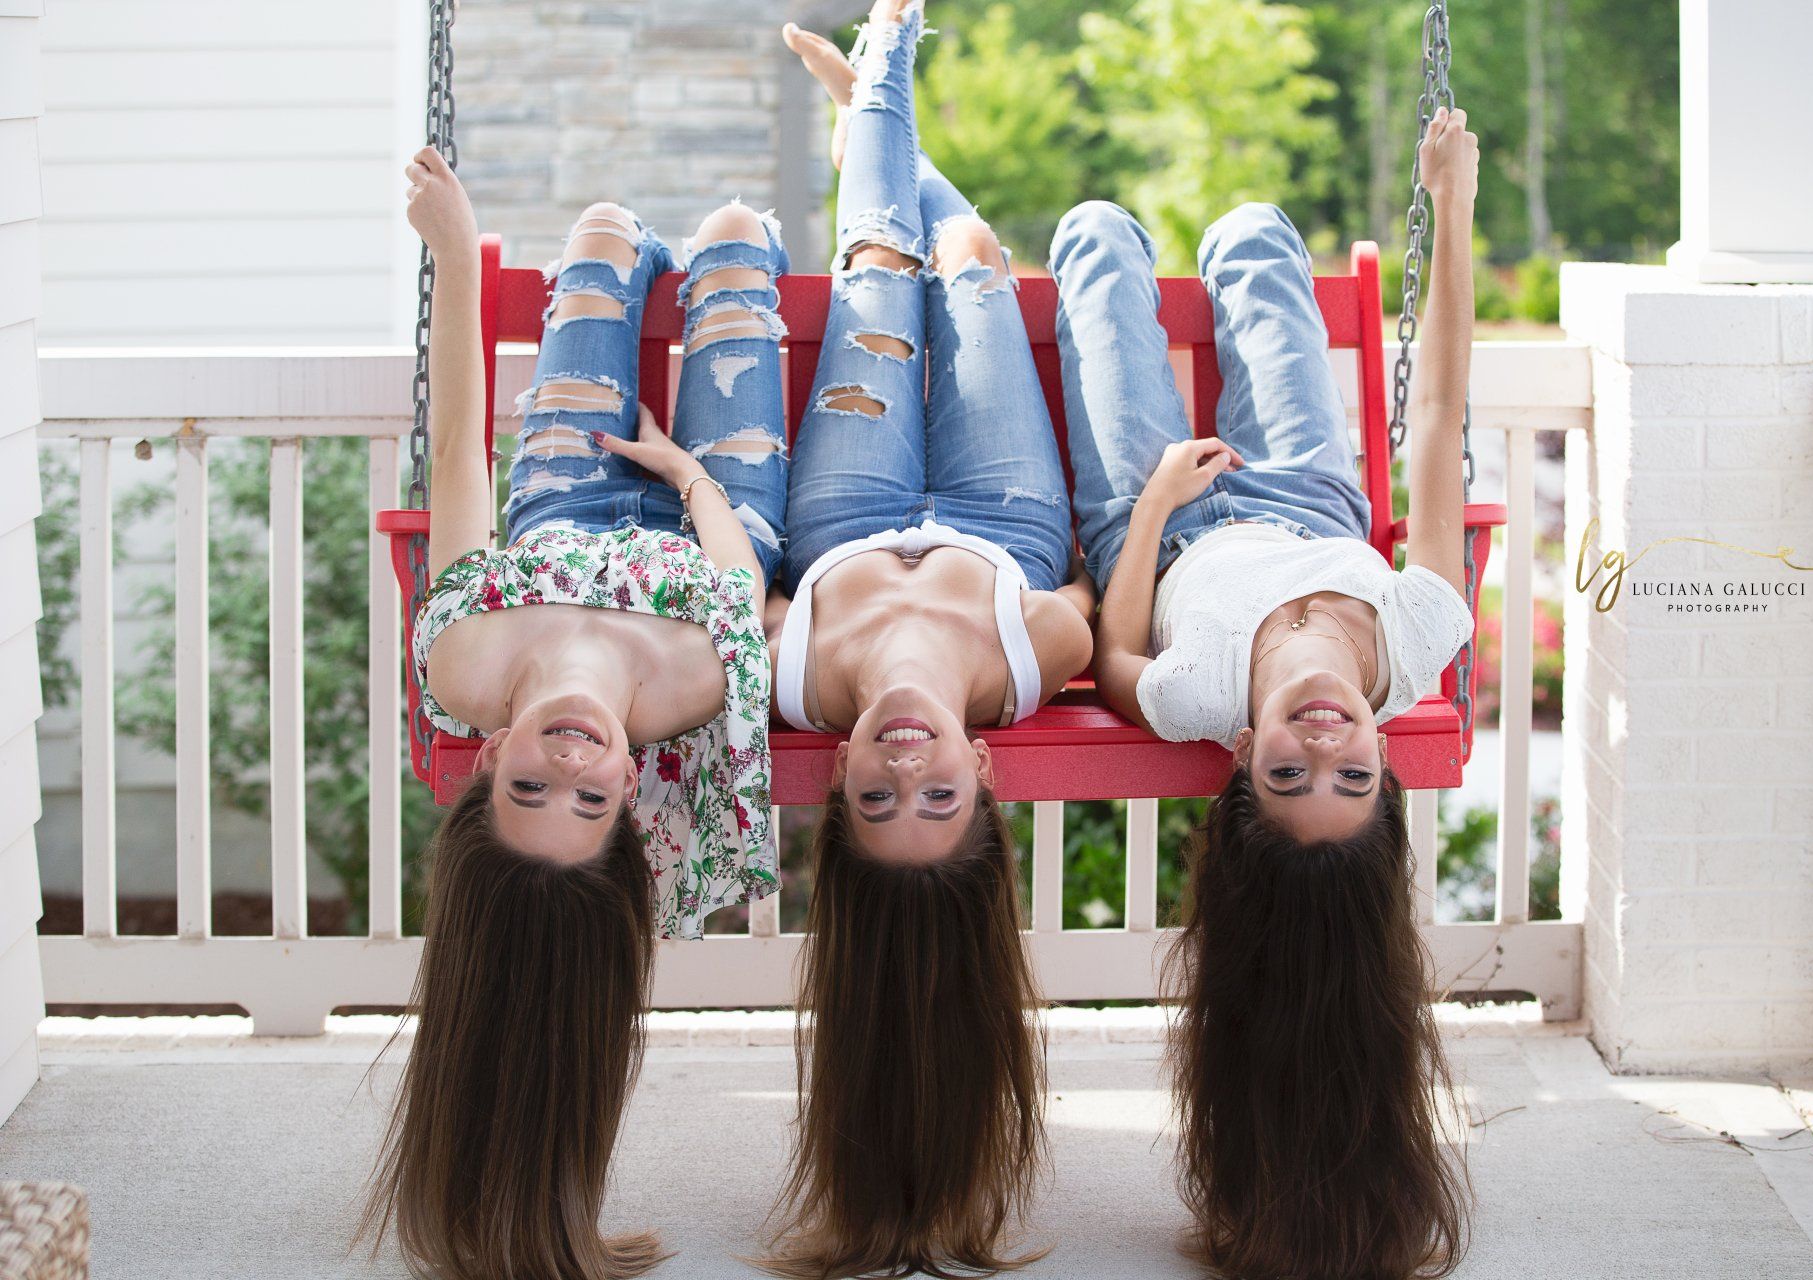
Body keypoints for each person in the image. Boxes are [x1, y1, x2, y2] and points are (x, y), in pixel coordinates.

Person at [1050, 108, 1482, 1279]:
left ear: (1243, 754)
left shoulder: (1194, 696)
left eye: (1290, 775)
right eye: (1351, 776)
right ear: (1385, 766)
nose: (1324, 742)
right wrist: (1454, 205)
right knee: (1252, 236)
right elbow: (1439, 417)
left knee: (1092, 237)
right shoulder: (1421, 629)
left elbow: (1111, 640)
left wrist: (1147, 507)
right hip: (1312, 496)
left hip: (1162, 514)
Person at [359, 146, 787, 1280]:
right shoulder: (693, 685)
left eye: (528, 788)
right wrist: (691, 479)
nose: (568, 761)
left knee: (600, 231)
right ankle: (720, 260)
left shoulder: (466, 659)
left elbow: (455, 451)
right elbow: (740, 584)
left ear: (487, 761)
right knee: (738, 233)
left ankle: (635, 253)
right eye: (588, 798)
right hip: (713, 498)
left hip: (562, 485)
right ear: (629, 801)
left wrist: (454, 257)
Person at [761, 4, 1091, 1275]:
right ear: (985, 774)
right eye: (937, 792)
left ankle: (886, 60)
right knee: (963, 253)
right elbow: (1086, 605)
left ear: (834, 789)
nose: (905, 760)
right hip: (1007, 513)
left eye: (882, 794)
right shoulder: (1027, 664)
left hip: (842, 509)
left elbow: (732, 600)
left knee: (879, 265)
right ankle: (872, 117)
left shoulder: (794, 680)